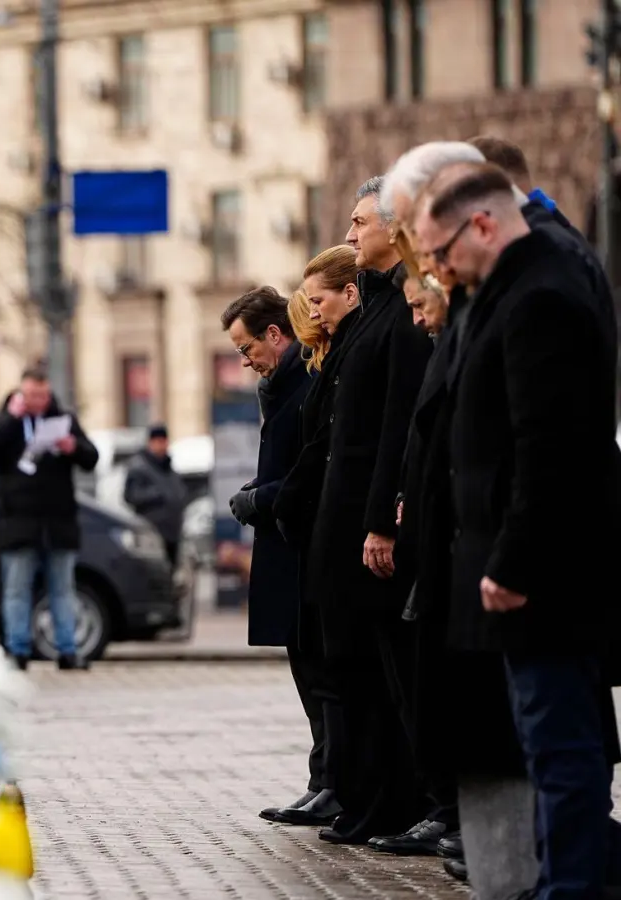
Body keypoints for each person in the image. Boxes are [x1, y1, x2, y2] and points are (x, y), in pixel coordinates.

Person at [414, 161, 621, 900]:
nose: (438, 271)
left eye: (440, 253)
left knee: (561, 750)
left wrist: (513, 563)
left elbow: (551, 448)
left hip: (546, 579)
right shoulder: (514, 286)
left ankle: (571, 889)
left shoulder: (540, 294)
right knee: (547, 745)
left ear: (484, 223)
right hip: (532, 571)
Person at [277, 221, 436, 849]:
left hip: (364, 520)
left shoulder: (392, 316)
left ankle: (395, 799)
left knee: (378, 675)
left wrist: (379, 519)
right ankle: (365, 796)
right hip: (338, 519)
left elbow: (392, 425)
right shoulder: (372, 318)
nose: (351, 229)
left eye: (361, 220)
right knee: (347, 669)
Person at [221, 286, 333, 827]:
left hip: (305, 545)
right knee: (306, 669)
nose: (246, 363)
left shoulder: (306, 381)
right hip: (287, 542)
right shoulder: (281, 385)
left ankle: (333, 781)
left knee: (322, 671)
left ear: (274, 333)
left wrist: (260, 498)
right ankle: (323, 779)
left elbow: (311, 469)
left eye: (248, 349)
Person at [0, 365, 99, 670]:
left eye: (42, 395)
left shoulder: (64, 420)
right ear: (21, 392)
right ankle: (18, 650)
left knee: (62, 589)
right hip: (18, 522)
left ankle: (68, 650)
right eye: (31, 395)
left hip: (58, 523)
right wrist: (10, 419)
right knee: (17, 589)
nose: (37, 401)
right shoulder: (7, 421)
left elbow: (91, 457)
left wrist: (73, 447)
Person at [122, 425, 185, 564]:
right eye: (158, 441)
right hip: (151, 534)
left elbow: (178, 493)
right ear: (150, 443)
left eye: (164, 441)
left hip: (172, 534)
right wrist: (158, 495)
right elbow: (131, 496)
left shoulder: (169, 468)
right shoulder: (139, 467)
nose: (162, 445)